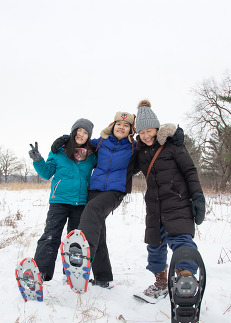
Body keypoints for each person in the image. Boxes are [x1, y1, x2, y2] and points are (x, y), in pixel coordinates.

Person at [51, 111, 184, 288]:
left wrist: (173, 137)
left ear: (131, 130)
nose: (121, 127)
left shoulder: (133, 147)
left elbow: (152, 143)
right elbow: (81, 141)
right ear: (112, 126)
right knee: (98, 231)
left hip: (115, 192)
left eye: (126, 125)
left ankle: (83, 254)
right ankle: (103, 277)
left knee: (92, 211)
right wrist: (65, 138)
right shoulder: (100, 143)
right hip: (95, 190)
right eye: (118, 124)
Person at [132, 100, 206, 300]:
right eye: (142, 132)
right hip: (154, 207)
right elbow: (126, 169)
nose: (146, 135)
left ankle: (185, 279)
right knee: (155, 245)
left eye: (150, 130)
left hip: (178, 203)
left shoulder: (172, 145)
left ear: (156, 128)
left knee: (181, 240)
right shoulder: (139, 153)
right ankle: (161, 282)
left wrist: (197, 196)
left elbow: (190, 170)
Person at [27, 118, 97, 282]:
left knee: (76, 240)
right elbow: (46, 173)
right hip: (59, 201)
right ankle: (41, 272)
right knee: (50, 236)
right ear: (73, 132)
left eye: (85, 132)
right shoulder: (59, 151)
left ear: (88, 136)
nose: (81, 134)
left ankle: (74, 273)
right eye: (78, 130)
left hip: (80, 203)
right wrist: (38, 160)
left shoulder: (91, 156)